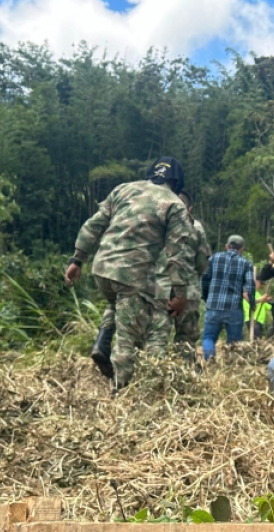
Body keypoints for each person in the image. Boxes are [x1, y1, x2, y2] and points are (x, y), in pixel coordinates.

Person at [65, 156, 195, 389]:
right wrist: (181, 293)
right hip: (132, 276)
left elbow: (94, 224)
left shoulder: (123, 190)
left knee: (121, 306)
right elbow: (178, 254)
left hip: (102, 268)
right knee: (129, 336)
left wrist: (77, 259)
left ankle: (102, 341)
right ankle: (121, 389)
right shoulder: (175, 204)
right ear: (177, 182)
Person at [200, 234, 255, 359]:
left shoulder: (214, 258)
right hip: (234, 308)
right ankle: (231, 367)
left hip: (213, 306)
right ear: (242, 249)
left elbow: (204, 278)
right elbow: (250, 286)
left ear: (226, 246)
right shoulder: (246, 264)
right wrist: (252, 303)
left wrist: (206, 297)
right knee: (234, 344)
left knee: (208, 338)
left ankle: (209, 361)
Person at [174, 192, 214, 350]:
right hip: (187, 287)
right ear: (189, 209)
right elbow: (202, 262)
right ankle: (185, 368)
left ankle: (157, 368)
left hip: (157, 288)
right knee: (186, 334)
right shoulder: (196, 227)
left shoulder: (155, 224)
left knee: (157, 333)